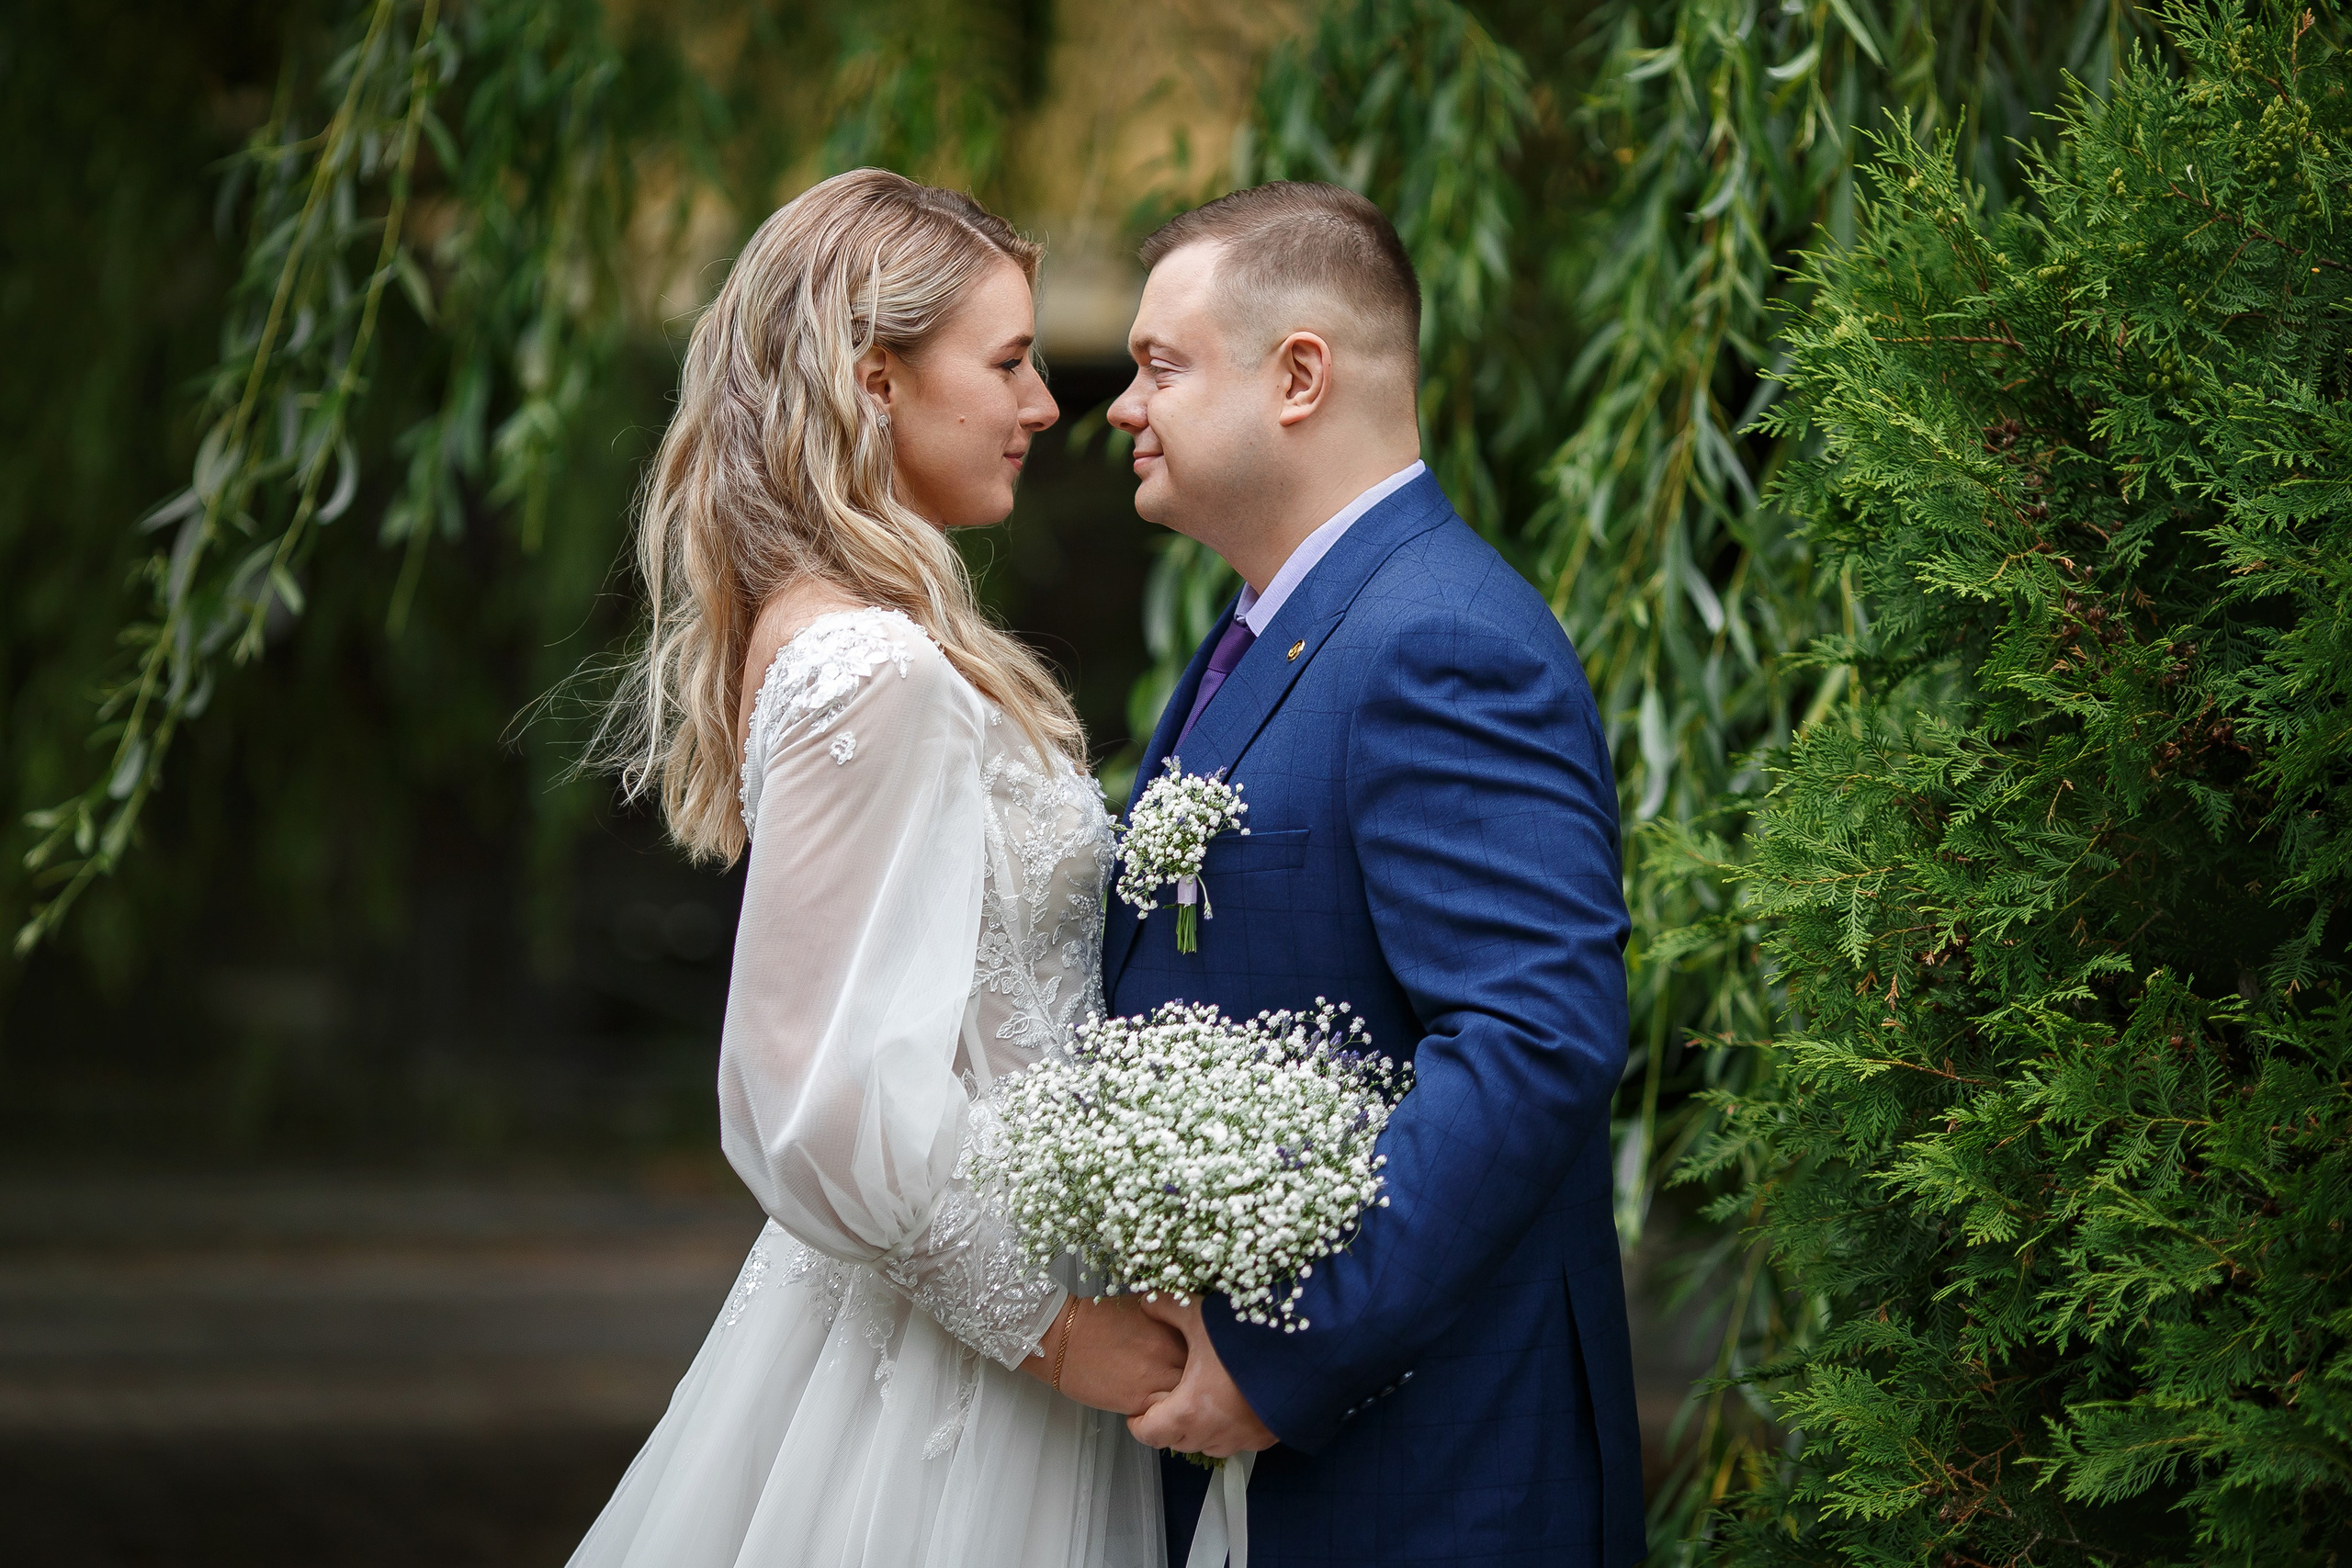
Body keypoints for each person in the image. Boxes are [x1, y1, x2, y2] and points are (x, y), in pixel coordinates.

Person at [569, 168, 1179, 1568]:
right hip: (971, 1359)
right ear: (875, 379)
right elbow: (819, 1095)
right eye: (1012, 362)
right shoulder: (873, 666)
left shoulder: (845, 634)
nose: (1045, 405)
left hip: (962, 1305)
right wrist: (1059, 1335)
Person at [1102, 182, 1649, 1567]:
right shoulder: (1278, 628)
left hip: (1431, 1477)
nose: (1118, 404)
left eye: (1160, 366)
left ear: (1300, 376)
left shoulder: (1444, 641)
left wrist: (1282, 1348)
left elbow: (1533, 1040)